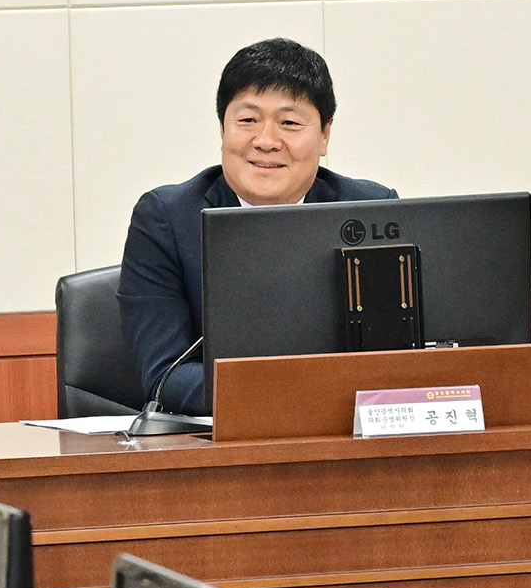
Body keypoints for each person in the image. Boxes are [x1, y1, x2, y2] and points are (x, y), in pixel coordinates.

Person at [118, 39, 397, 415]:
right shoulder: (167, 218)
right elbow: (167, 377)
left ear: (325, 135)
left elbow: (399, 358)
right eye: (247, 121)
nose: (266, 141)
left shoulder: (370, 211)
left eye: (290, 123)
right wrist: (303, 394)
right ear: (222, 128)